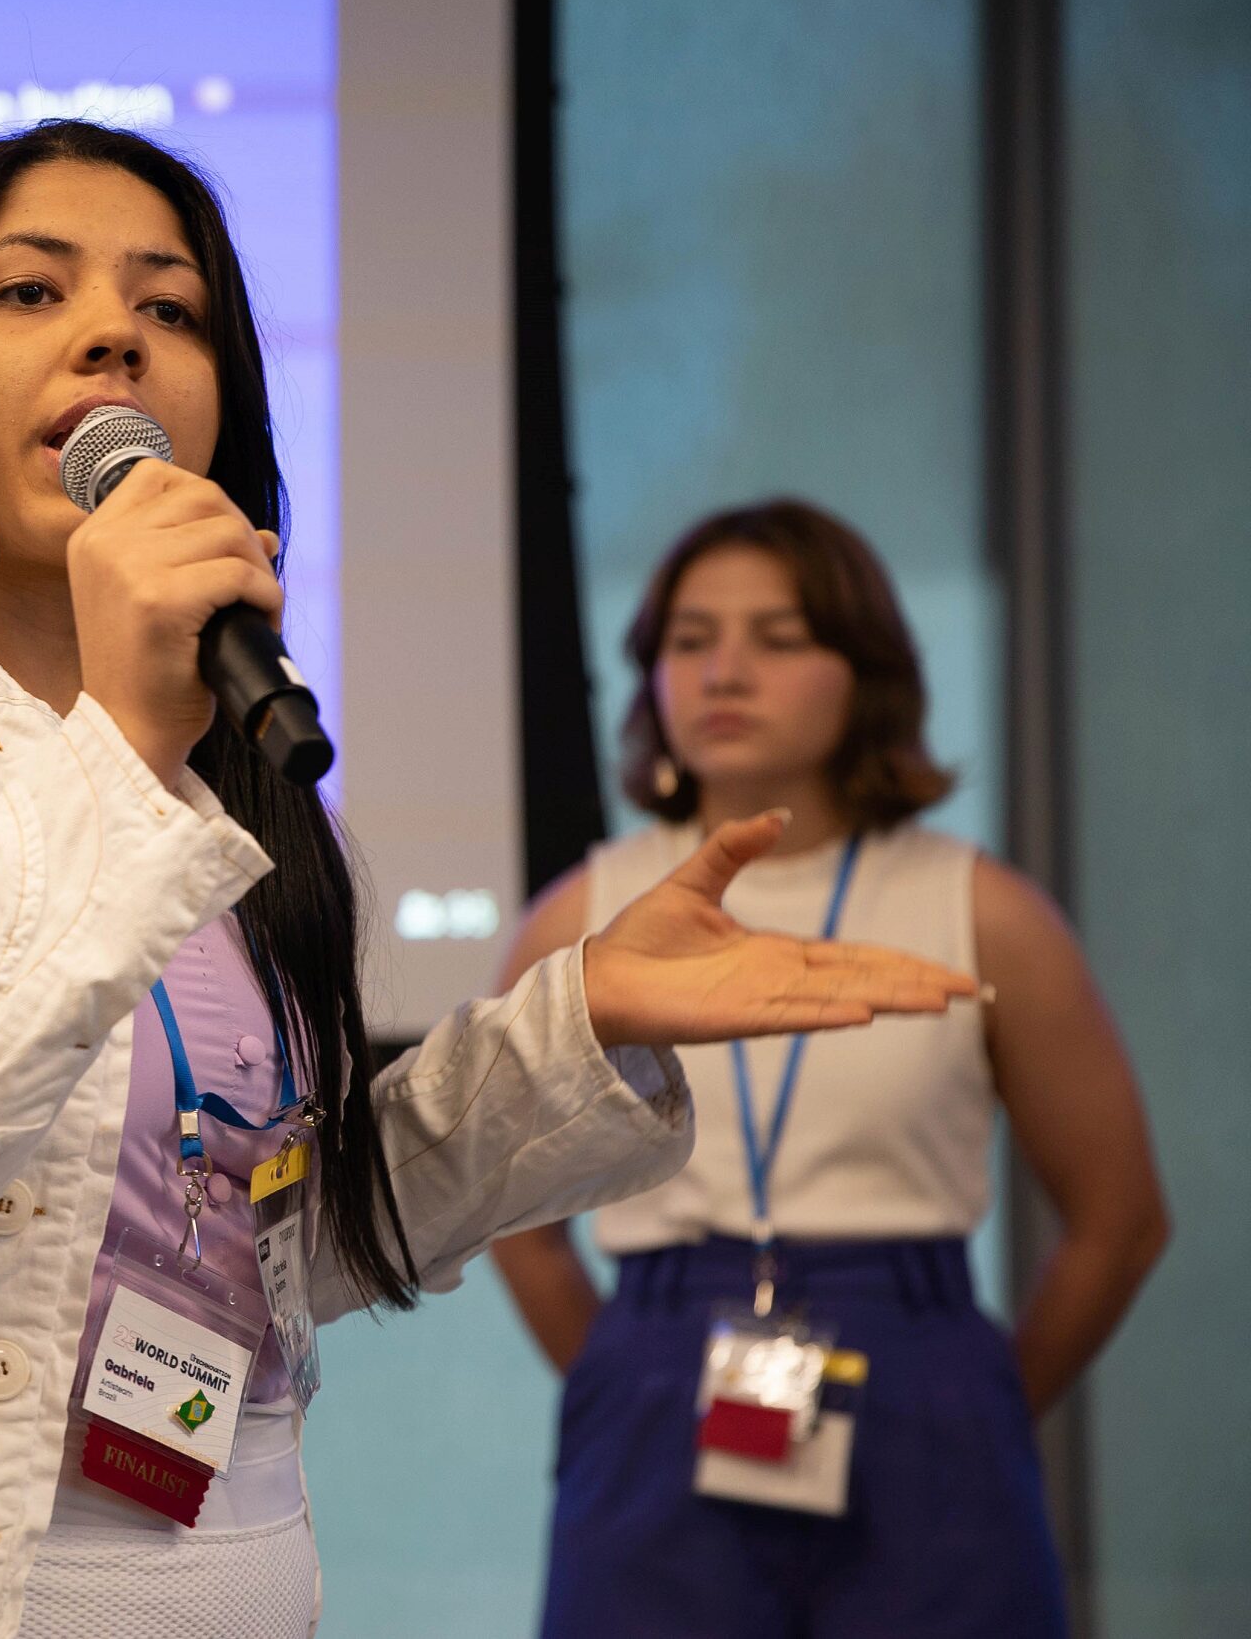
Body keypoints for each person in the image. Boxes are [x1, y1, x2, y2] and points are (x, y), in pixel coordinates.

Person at [0, 123, 979, 1639]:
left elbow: (261, 1232)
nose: (113, 336)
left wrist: (581, 1025)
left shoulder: (224, 776)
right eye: (31, 292)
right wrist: (124, 747)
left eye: (173, 311)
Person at [491, 499, 1169, 1638]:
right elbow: (517, 1219)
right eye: (690, 639)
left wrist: (974, 1401)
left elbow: (1118, 1217)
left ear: (867, 670)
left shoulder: (983, 909)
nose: (725, 671)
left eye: (780, 635)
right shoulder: (583, 911)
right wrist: (629, 1372)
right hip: (666, 1361)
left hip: (914, 1364)